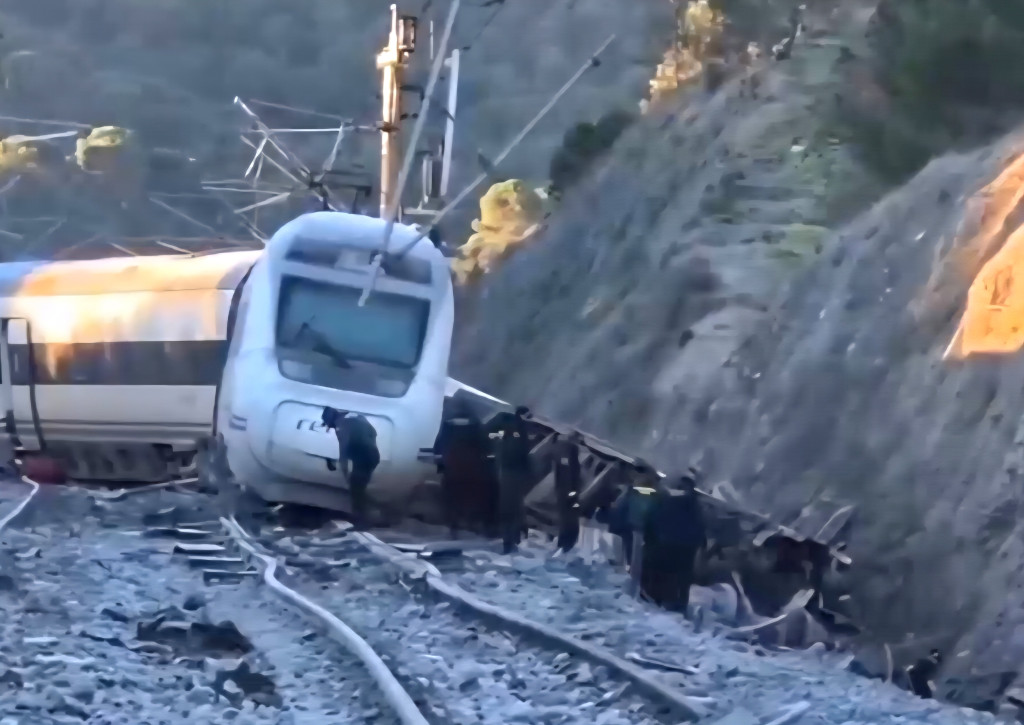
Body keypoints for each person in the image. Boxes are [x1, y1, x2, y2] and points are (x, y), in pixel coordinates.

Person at [643, 468, 707, 613]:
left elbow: (651, 521)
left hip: (664, 547)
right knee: (681, 584)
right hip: (684, 550)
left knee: (660, 582)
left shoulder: (665, 498)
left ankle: (658, 604)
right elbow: (701, 527)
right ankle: (679, 608)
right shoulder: (695, 504)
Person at [433, 398, 489, 538]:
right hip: (472, 465)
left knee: (451, 494)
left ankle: (453, 525)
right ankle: (472, 522)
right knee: (472, 494)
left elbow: (439, 445)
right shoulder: (476, 424)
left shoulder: (448, 424)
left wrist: (440, 465)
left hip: (452, 464)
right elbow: (484, 444)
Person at [322, 407, 380, 529]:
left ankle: (362, 523)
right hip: (373, 455)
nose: (332, 428)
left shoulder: (340, 425)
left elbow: (343, 449)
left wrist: (345, 473)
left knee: (356, 490)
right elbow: (374, 432)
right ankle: (372, 516)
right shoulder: (355, 415)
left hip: (364, 458)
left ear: (331, 420)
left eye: (330, 425)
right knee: (359, 488)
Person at [496, 405, 532, 554]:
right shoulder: (520, 431)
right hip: (514, 473)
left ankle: (509, 542)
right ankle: (513, 541)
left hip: (506, 472)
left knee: (508, 510)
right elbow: (522, 452)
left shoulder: (508, 428)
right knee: (515, 510)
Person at [552, 430, 583, 552]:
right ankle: (567, 544)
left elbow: (559, 471)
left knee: (565, 517)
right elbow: (569, 473)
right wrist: (572, 492)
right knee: (570, 518)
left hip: (562, 490)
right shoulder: (571, 450)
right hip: (568, 492)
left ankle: (563, 543)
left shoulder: (560, 449)